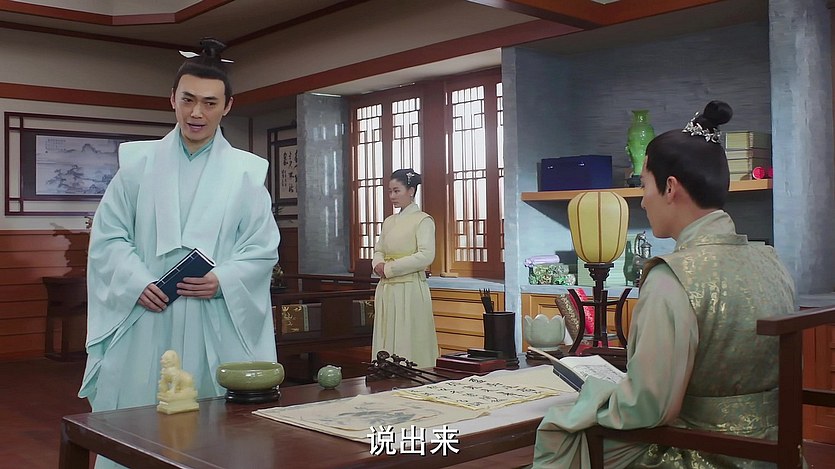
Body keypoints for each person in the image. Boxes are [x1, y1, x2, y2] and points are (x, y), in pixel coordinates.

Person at [533, 101, 796, 468]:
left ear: (670, 187)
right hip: (774, 448)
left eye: (645, 185)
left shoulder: (673, 276)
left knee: (563, 433)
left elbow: (648, 406)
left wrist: (596, 395)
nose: (643, 200)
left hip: (704, 451)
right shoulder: (771, 261)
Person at [79, 37, 279, 432]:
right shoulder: (136, 165)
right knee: (138, 416)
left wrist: (223, 279)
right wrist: (136, 282)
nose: (196, 113)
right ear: (172, 99)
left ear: (227, 106)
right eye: (188, 100)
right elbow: (109, 236)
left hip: (213, 314)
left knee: (214, 424)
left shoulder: (246, 174)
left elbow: (261, 248)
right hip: (147, 310)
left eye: (209, 103)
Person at [372, 168, 439, 368]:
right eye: (390, 192)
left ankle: (413, 373)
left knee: (409, 334)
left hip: (410, 287)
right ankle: (385, 372)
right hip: (387, 288)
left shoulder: (423, 220)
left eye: (397, 191)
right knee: (386, 333)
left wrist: (390, 268)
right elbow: (379, 249)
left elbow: (425, 255)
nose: (392, 196)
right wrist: (378, 264)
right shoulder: (389, 222)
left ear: (411, 191)